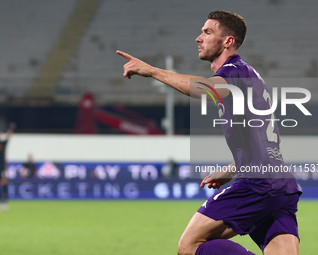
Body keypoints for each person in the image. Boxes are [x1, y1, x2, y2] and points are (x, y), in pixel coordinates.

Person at [117, 10, 301, 255]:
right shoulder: (250, 76)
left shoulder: (235, 71)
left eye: (207, 32)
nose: (198, 38)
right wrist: (233, 168)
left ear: (228, 41)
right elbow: (272, 138)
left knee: (190, 246)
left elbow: (206, 90)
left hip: (259, 184)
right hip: (281, 183)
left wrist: (151, 71)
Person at [0, 123, 15, 210]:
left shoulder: (3, 143)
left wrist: (11, 129)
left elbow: (8, 137)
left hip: (1, 167)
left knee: (4, 184)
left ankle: (4, 203)